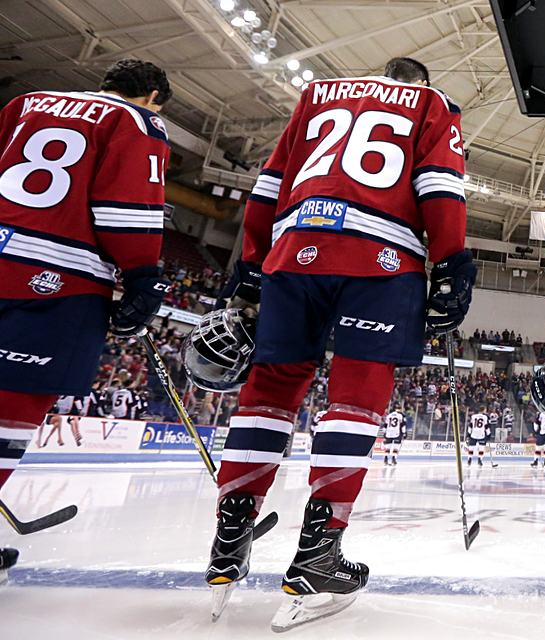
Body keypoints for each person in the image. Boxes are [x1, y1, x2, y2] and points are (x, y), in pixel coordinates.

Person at [200, 57, 474, 629]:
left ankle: (229, 540)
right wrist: (451, 264)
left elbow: (270, 182)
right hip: (380, 259)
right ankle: (318, 554)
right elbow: (439, 187)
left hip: (292, 248)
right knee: (356, 395)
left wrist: (252, 261)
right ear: (420, 83)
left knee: (268, 390)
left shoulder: (320, 92)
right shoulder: (431, 105)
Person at [0, 60, 173, 583]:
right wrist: (143, 276)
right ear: (154, 97)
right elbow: (125, 206)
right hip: (55, 281)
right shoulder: (136, 122)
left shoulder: (25, 103)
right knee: (11, 409)